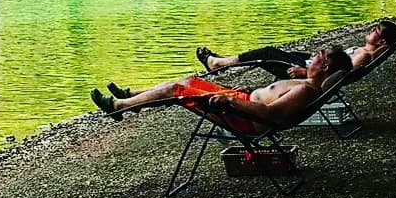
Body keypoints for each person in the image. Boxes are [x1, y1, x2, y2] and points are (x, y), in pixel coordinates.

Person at [91, 45, 354, 128]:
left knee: (175, 90)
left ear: (326, 67)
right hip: (241, 102)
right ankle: (135, 98)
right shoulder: (307, 82)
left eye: (322, 54)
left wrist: (231, 101)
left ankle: (119, 106)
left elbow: (273, 115)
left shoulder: (305, 90)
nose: (317, 53)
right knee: (188, 82)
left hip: (243, 116)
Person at [195, 19, 396, 79]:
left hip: (306, 71)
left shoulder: (363, 56)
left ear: (382, 42)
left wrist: (305, 72)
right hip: (310, 64)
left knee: (267, 53)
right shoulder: (367, 52)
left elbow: (340, 74)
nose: (371, 30)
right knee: (276, 54)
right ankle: (222, 62)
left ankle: (217, 63)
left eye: (376, 30)